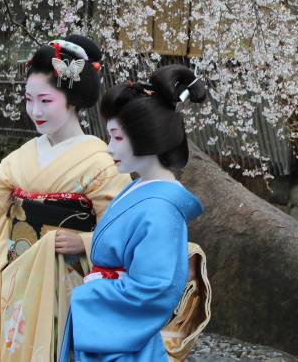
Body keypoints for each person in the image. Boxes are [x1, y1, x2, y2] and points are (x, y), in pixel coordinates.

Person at [0, 35, 131, 362]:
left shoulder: (102, 163)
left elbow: (122, 231)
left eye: (45, 100)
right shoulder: (17, 161)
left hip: (69, 284)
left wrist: (85, 242)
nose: (35, 111)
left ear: (72, 100)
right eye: (29, 100)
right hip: (14, 279)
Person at [58, 64, 208, 362]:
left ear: (146, 137)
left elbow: (154, 289)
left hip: (124, 344)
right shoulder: (140, 189)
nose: (109, 147)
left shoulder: (161, 209)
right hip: (109, 332)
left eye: (117, 137)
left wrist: (90, 295)